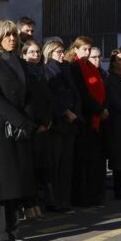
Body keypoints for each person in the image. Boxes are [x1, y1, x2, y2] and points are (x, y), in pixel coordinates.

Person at [0, 20, 47, 241]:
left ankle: (14, 229)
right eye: (7, 35)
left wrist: (31, 122)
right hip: (0, 126)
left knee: (16, 181)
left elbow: (30, 93)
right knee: (0, 183)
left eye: (14, 35)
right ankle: (0, 233)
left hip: (21, 127)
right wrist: (19, 121)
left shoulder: (17, 60)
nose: (12, 39)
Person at [68, 36, 108, 206]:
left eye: (89, 49)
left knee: (94, 159)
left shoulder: (91, 67)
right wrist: (99, 109)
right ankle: (83, 197)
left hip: (95, 118)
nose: (87, 52)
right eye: (84, 49)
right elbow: (83, 93)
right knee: (83, 160)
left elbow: (99, 89)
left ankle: (94, 195)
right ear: (75, 49)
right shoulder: (75, 67)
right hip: (85, 117)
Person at [43, 39, 79, 212]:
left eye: (63, 51)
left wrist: (75, 111)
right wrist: (65, 111)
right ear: (50, 52)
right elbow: (51, 96)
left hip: (70, 122)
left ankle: (65, 200)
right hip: (58, 123)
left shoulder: (65, 68)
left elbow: (74, 91)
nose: (62, 54)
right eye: (58, 51)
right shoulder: (48, 69)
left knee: (66, 163)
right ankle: (55, 200)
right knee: (55, 164)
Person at [21, 39, 52, 218]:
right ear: (24, 55)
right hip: (31, 125)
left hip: (43, 126)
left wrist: (47, 121)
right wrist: (38, 122)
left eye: (38, 52)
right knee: (29, 169)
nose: (36, 55)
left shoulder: (43, 72)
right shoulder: (24, 73)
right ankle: (28, 204)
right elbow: (28, 100)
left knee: (41, 168)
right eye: (32, 52)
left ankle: (37, 203)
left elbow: (47, 99)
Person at [103, 49, 121, 201]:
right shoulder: (112, 80)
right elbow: (117, 104)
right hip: (118, 125)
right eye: (120, 60)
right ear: (113, 63)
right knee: (120, 161)